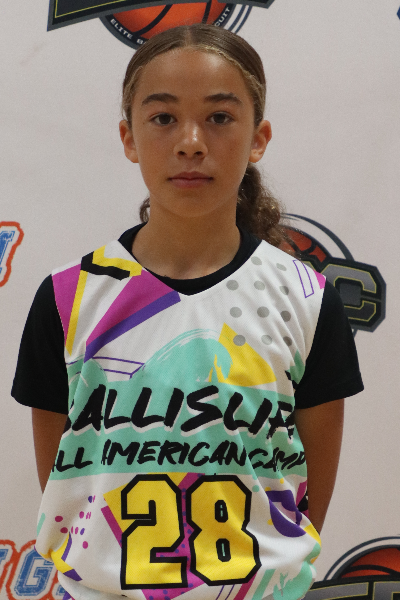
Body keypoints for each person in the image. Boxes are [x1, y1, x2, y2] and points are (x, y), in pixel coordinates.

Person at [12, 23, 363, 600]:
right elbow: (66, 481)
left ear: (258, 138)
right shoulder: (68, 298)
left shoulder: (307, 299)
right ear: (128, 137)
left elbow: (305, 504)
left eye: (220, 117)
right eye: (163, 117)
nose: (191, 142)